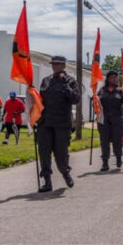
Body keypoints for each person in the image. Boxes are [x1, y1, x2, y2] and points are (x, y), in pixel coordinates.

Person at [36, 55, 81, 192]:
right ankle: (47, 181)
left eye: (58, 64)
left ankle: (65, 173)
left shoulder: (71, 81)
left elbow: (75, 99)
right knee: (44, 152)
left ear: (64, 66)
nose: (55, 66)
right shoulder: (46, 81)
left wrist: (65, 84)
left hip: (62, 123)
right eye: (53, 64)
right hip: (45, 122)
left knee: (61, 152)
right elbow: (40, 100)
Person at [97, 71, 123, 171]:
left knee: (117, 141)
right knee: (104, 142)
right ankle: (105, 163)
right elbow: (97, 104)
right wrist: (94, 101)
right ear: (108, 79)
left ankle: (118, 157)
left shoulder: (121, 91)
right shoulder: (102, 91)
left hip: (117, 121)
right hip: (104, 121)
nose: (114, 79)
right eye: (112, 77)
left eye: (116, 78)